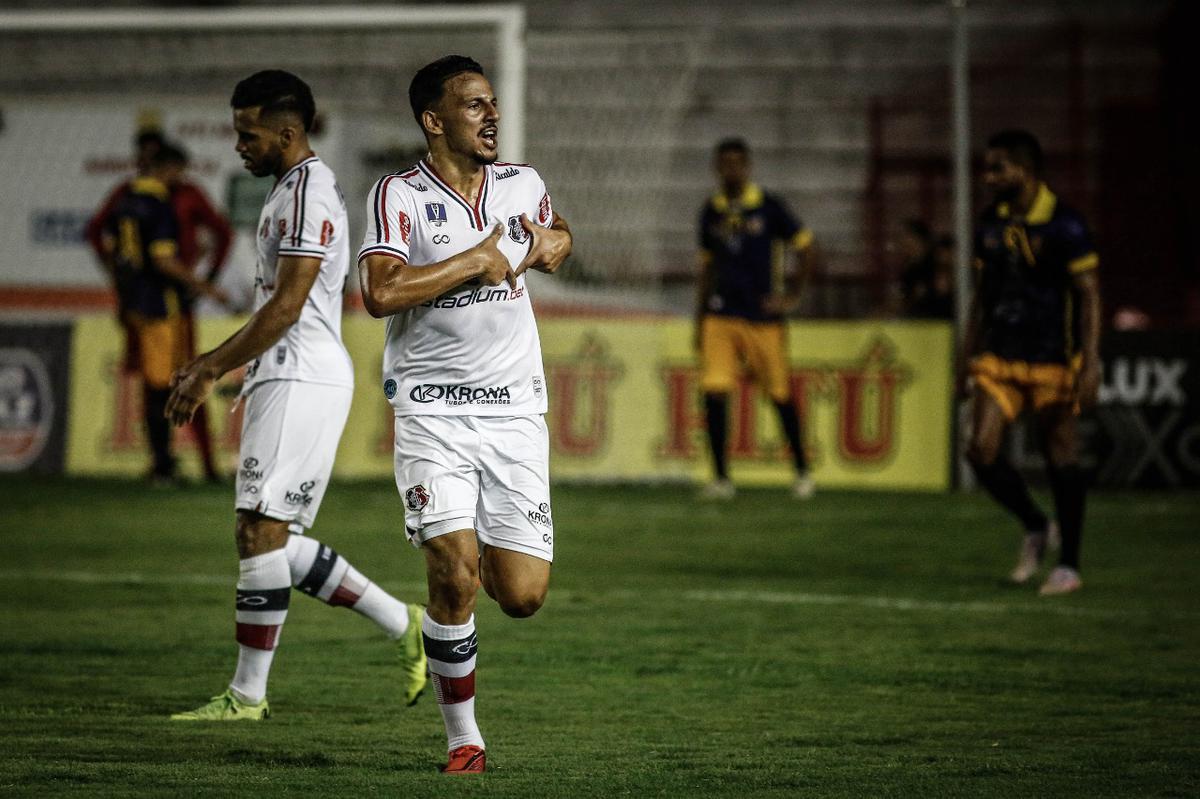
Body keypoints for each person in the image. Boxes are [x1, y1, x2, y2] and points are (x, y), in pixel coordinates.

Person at [164, 70, 426, 721]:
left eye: (247, 135)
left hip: (301, 370)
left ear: (287, 131)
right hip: (287, 371)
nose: (239, 146)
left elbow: (287, 306)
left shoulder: (308, 194)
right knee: (264, 532)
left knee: (261, 531)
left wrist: (209, 367)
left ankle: (248, 696)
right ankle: (404, 624)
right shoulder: (293, 189)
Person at [358, 55, 572, 774]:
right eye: (475, 105)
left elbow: (556, 232)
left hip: (514, 414)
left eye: (492, 104)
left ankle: (456, 601)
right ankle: (464, 742)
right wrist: (476, 260)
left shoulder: (523, 183)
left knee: (523, 595)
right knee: (454, 574)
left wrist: (551, 243)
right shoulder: (398, 196)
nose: (492, 116)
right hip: (432, 414)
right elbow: (381, 292)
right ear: (433, 119)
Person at [958, 129, 1101, 596]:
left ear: (1025, 169)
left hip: (1053, 357)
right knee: (979, 449)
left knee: (1061, 452)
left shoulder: (1065, 224)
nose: (989, 176)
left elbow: (1089, 296)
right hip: (1000, 354)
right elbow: (982, 294)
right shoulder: (990, 223)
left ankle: (1070, 566)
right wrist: (966, 352)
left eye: (998, 167)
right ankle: (1036, 523)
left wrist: (1091, 360)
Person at [86, 132, 233, 481]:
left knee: (155, 381)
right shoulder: (161, 204)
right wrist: (207, 286)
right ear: (169, 168)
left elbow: (101, 237)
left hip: (136, 302)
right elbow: (165, 259)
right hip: (165, 305)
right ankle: (170, 466)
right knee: (179, 379)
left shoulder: (125, 199)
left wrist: (122, 282)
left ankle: (165, 463)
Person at [695, 137, 815, 500]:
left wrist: (791, 296)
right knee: (714, 391)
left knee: (779, 393)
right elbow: (706, 268)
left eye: (737, 163)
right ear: (717, 167)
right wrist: (699, 318)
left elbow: (807, 247)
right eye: (725, 163)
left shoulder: (768, 206)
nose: (731, 169)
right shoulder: (711, 211)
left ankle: (802, 471)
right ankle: (721, 478)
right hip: (720, 317)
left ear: (748, 167)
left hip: (762, 318)